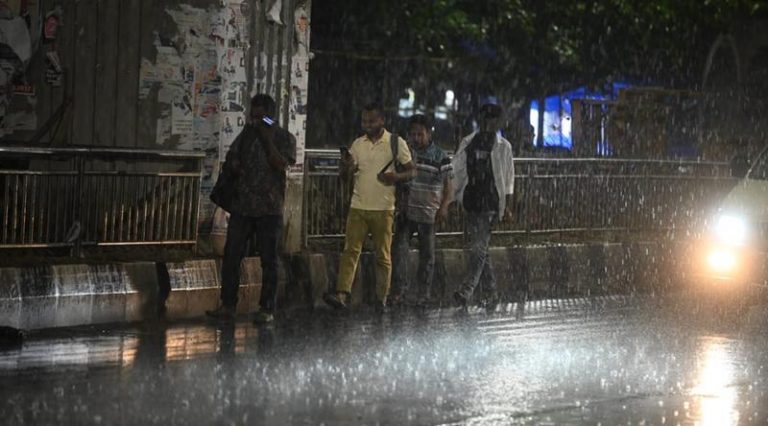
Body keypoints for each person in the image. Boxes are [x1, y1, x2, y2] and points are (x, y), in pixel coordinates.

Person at [206, 94, 296, 324]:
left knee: (269, 260)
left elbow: (281, 164)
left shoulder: (284, 137)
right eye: (253, 116)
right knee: (232, 256)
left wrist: (267, 138)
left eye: (261, 117)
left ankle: (267, 308)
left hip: (269, 208)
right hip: (243, 206)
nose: (256, 121)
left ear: (271, 116)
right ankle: (228, 304)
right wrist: (236, 165)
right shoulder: (247, 134)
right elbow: (232, 157)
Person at [323, 103, 416, 312]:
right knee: (350, 251)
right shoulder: (358, 144)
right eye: (364, 121)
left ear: (382, 120)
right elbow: (345, 176)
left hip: (384, 208)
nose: (367, 125)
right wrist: (346, 165)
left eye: (371, 121)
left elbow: (412, 171)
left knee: (383, 256)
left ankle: (381, 298)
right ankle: (342, 294)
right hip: (358, 206)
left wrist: (395, 177)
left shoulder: (395, 142)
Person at [452, 101, 515, 308]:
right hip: (471, 202)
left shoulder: (504, 147)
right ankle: (491, 292)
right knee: (482, 250)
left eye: (493, 120)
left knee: (478, 249)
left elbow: (508, 179)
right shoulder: (469, 143)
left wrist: (508, 207)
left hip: (490, 205)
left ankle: (466, 291)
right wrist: (451, 198)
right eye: (486, 119)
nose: (489, 124)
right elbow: (457, 172)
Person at [390, 114, 453, 307]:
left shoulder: (440, 157)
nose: (416, 138)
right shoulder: (406, 154)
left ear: (429, 134)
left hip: (428, 214)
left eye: (420, 134)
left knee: (427, 256)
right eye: (413, 134)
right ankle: (399, 292)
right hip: (407, 212)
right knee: (399, 251)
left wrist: (444, 207)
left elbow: (449, 187)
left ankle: (423, 294)